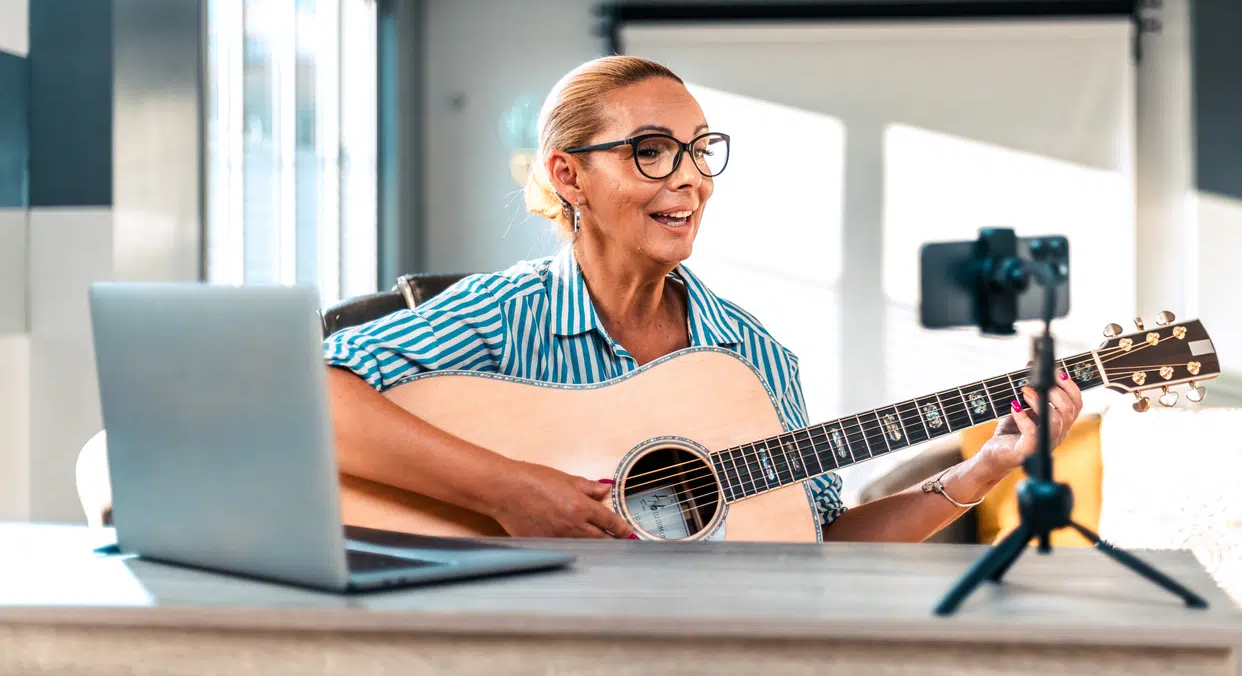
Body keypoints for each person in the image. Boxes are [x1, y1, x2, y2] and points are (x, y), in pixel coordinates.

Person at [323, 55, 1083, 542]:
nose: (688, 177)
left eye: (699, 150)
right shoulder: (499, 312)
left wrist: (982, 469)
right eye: (651, 151)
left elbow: (817, 545)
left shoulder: (750, 358)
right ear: (568, 176)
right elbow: (307, 397)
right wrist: (509, 490)